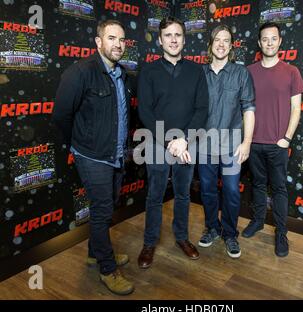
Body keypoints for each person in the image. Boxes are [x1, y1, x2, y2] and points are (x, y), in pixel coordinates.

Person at [53, 20, 134, 295]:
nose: (118, 44)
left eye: (122, 40)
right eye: (112, 38)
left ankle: (93, 253)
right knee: (102, 211)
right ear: (98, 42)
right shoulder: (80, 72)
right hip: (92, 156)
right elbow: (62, 116)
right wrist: (80, 145)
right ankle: (107, 268)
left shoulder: (122, 74)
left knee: (107, 206)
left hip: (116, 154)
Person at [137, 16, 208, 269]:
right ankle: (149, 243)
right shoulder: (149, 71)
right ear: (160, 40)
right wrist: (170, 141)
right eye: (168, 35)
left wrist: (184, 140)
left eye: (178, 35)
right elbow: (145, 111)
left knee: (182, 195)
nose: (173, 39)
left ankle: (182, 238)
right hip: (158, 143)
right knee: (155, 195)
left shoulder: (196, 70)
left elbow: (202, 109)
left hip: (187, 144)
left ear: (184, 39)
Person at [243, 22, 303, 257]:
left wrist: (286, 139)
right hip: (254, 142)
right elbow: (243, 106)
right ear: (259, 43)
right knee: (258, 185)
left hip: (278, 145)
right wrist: (246, 140)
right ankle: (258, 221)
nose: (269, 42)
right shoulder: (248, 71)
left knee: (279, 189)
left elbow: (296, 109)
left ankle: (281, 233)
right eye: (265, 39)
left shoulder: (292, 71)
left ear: (279, 42)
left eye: (273, 38)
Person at [197, 25, 255, 258]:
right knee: (208, 190)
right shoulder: (199, 73)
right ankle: (212, 227)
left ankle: (230, 233)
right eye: (217, 40)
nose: (221, 44)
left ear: (231, 46)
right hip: (204, 144)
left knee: (231, 191)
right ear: (210, 45)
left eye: (226, 40)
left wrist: (247, 141)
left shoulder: (241, 74)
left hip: (232, 146)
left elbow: (249, 108)